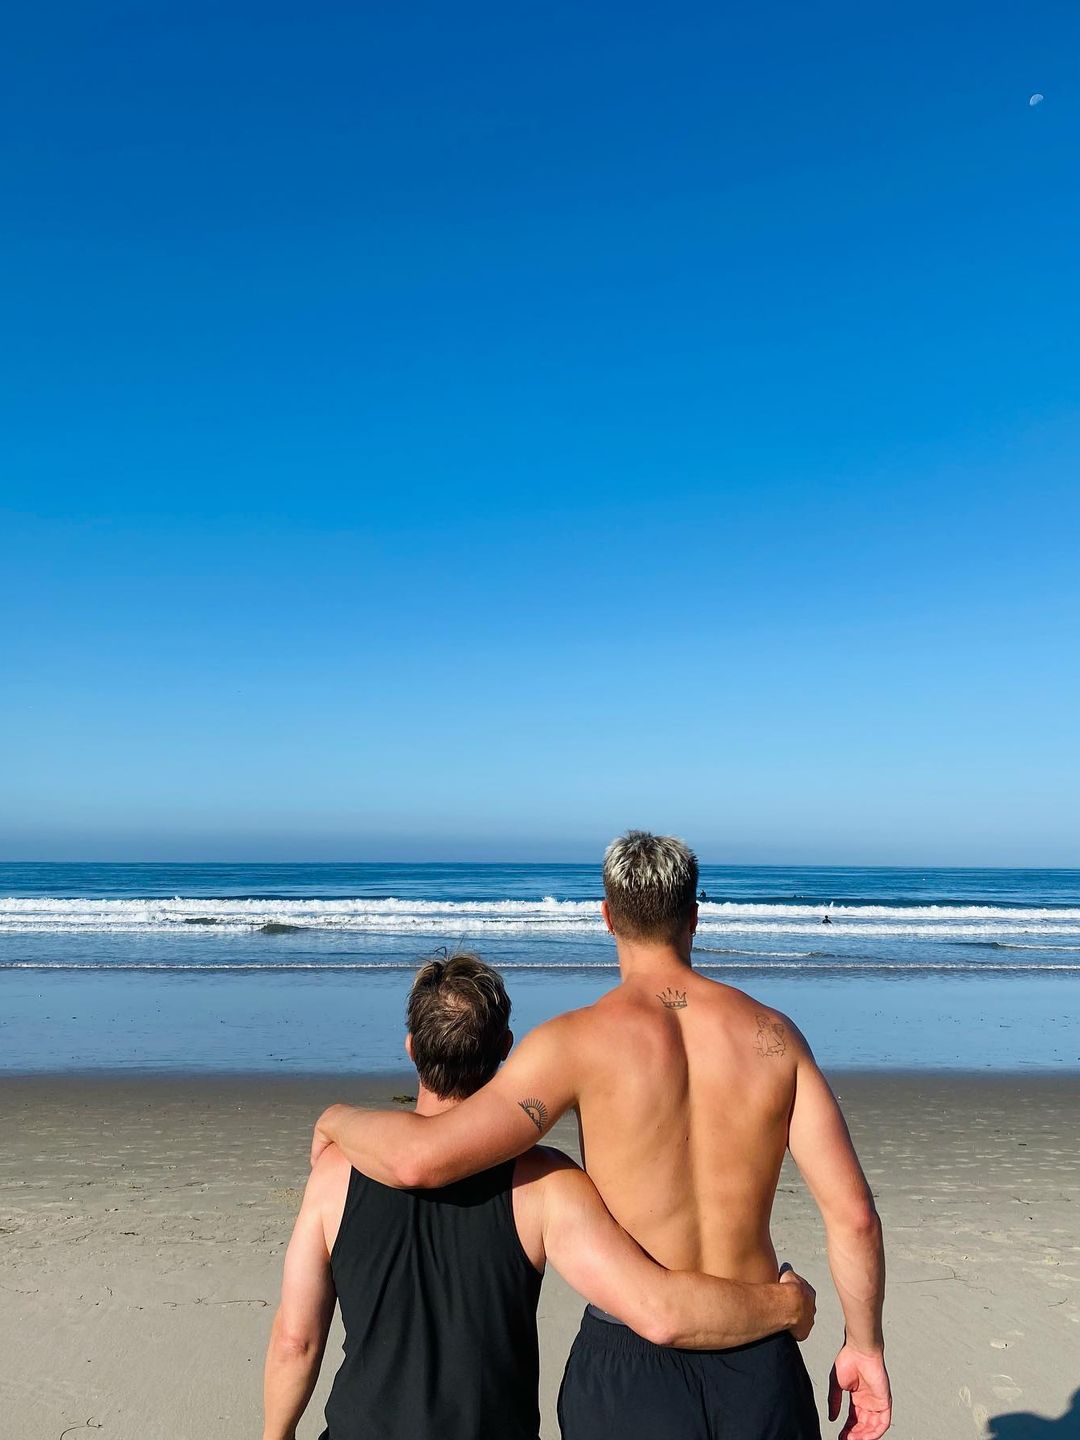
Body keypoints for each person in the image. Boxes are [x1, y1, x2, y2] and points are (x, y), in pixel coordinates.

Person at [313, 833, 891, 1440]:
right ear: (695, 914)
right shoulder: (775, 1039)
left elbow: (419, 1161)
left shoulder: (577, 1043)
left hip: (629, 1365)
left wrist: (333, 1119)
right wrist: (864, 1347)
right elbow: (854, 1218)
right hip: (756, 1354)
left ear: (607, 916)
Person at [264, 952, 817, 1440]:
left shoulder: (334, 1175)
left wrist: (276, 1433)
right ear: (506, 1048)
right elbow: (659, 1308)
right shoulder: (545, 1184)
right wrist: (784, 1304)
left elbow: (296, 1340)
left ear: (410, 1048)